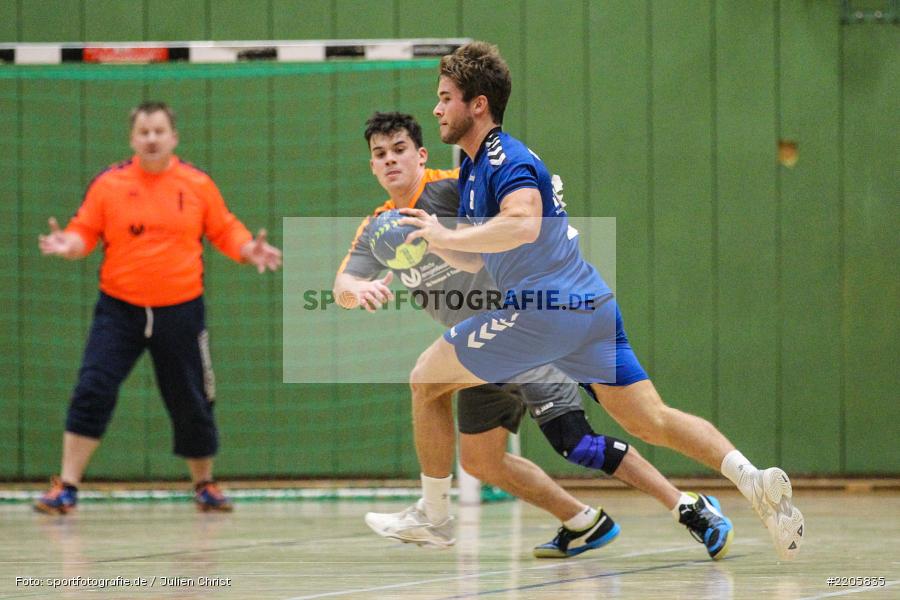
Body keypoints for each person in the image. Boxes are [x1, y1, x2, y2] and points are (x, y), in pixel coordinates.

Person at [386, 42, 804, 561]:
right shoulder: (472, 172)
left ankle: (433, 515)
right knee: (651, 419)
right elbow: (483, 256)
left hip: (543, 309)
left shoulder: (504, 157)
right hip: (587, 306)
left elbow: (522, 221)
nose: (437, 108)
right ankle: (755, 479)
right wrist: (437, 241)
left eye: (445, 97)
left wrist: (447, 239)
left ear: (478, 104)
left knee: (426, 380)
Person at [335, 111, 732, 559]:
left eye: (399, 150)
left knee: (576, 441)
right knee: (481, 460)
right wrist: (358, 290)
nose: (390, 160)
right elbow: (342, 285)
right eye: (380, 154)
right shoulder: (377, 229)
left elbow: (519, 226)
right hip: (472, 351)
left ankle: (690, 507)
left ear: (421, 155)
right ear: (371, 166)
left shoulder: (454, 189)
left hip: (523, 327)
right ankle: (584, 522)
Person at [34, 101, 282, 515]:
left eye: (159, 131)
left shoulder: (197, 184)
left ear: (173, 137)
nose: (151, 138)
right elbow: (83, 232)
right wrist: (69, 245)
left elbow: (225, 228)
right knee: (93, 388)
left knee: (192, 399)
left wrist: (246, 250)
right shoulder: (109, 185)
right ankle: (68, 487)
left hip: (181, 310)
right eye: (144, 132)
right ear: (132, 139)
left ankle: (204, 484)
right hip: (119, 310)